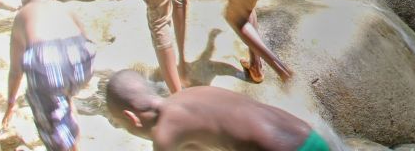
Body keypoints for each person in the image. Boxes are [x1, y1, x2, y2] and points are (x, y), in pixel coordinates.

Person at [106, 70, 330, 151]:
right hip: (312, 137)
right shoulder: (192, 94)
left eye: (123, 126)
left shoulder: (164, 136)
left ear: (131, 118)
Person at [1, 0, 95, 151]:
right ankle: (73, 136)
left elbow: (16, 70)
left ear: (23, 1)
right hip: (82, 61)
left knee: (51, 119)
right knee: (64, 97)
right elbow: (85, 38)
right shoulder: (64, 7)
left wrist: (11, 103)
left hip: (48, 64)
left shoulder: (23, 14)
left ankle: (63, 145)